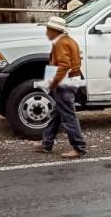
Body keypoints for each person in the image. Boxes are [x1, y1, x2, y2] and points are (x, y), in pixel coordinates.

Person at [34, 16, 87, 158]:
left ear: (54, 31)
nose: (46, 33)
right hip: (71, 79)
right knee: (57, 113)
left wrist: (53, 82)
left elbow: (64, 65)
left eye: (48, 30)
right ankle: (46, 143)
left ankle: (79, 147)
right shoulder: (67, 41)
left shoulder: (60, 43)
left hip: (65, 82)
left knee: (68, 115)